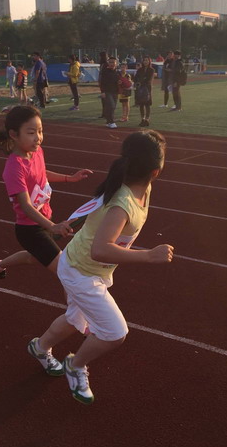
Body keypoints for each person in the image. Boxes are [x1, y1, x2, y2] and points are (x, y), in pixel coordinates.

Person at [28, 130, 173, 404]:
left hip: (84, 265)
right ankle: (75, 365)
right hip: (82, 270)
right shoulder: (123, 204)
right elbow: (101, 249)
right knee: (115, 332)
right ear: (155, 171)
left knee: (75, 319)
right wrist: (148, 256)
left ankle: (40, 347)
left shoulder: (141, 188)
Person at [0, 105, 93, 285]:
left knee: (32, 257)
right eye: (31, 132)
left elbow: (40, 173)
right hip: (30, 230)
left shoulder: (36, 152)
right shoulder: (14, 168)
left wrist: (69, 178)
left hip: (44, 220)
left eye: (40, 131)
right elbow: (26, 206)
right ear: (14, 134)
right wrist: (53, 226)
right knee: (67, 273)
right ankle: (75, 307)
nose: (38, 137)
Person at [134, 56, 155, 127]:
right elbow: (135, 78)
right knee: (141, 104)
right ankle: (142, 119)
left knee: (147, 104)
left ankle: (147, 119)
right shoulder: (140, 69)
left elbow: (149, 79)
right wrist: (138, 82)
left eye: (147, 60)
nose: (145, 62)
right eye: (144, 60)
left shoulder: (151, 70)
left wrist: (141, 81)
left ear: (149, 61)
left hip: (147, 88)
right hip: (140, 88)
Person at [99, 56, 119, 128]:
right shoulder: (105, 71)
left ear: (116, 63)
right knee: (111, 106)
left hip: (115, 92)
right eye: (110, 62)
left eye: (113, 62)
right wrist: (102, 92)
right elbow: (101, 82)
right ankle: (112, 121)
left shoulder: (117, 72)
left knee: (113, 107)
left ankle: (108, 122)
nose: (111, 64)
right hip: (107, 92)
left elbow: (119, 82)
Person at [98, 51, 108, 118]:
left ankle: (106, 113)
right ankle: (104, 113)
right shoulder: (102, 64)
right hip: (102, 84)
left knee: (105, 99)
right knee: (103, 99)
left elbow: (104, 75)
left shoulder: (105, 64)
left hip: (105, 84)